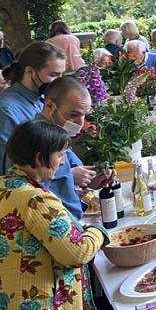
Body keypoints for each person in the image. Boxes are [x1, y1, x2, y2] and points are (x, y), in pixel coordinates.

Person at [0, 121, 109, 310]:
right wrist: (99, 231)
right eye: (60, 155)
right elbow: (77, 252)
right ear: (38, 158)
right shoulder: (36, 199)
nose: (63, 162)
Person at [0, 42, 66, 181]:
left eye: (62, 75)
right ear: (30, 72)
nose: (59, 82)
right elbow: (9, 169)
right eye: (54, 75)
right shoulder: (3, 110)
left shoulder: (41, 99)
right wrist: (69, 174)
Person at [38, 77, 111, 218]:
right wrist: (69, 176)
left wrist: (91, 181)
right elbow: (35, 191)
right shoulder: (36, 138)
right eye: (74, 115)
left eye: (84, 115)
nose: (80, 122)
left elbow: (64, 190)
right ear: (49, 106)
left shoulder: (58, 132)